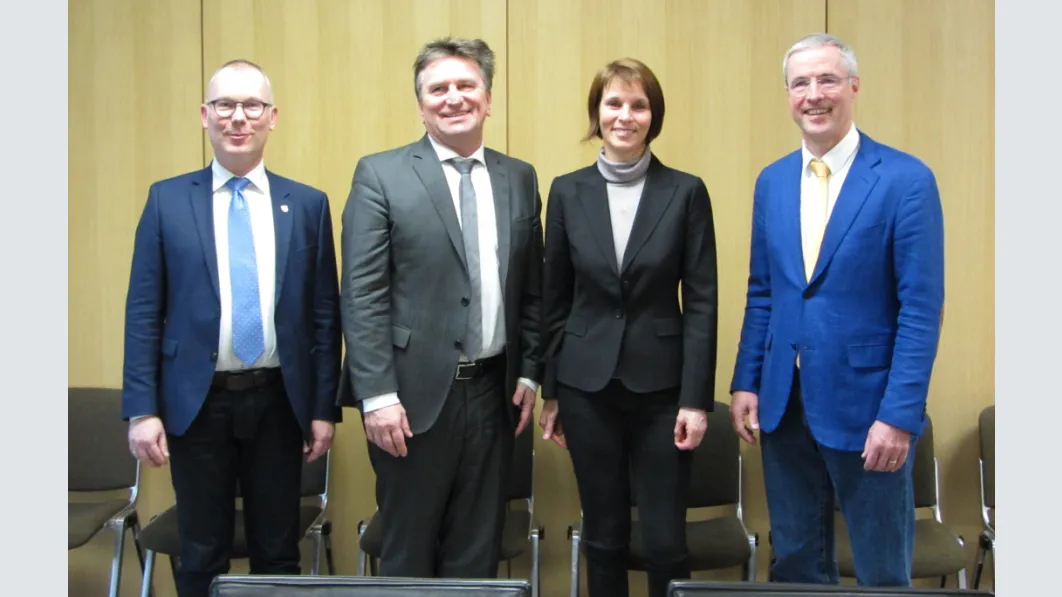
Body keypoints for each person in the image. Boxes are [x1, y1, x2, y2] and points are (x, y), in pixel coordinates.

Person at [729, 33, 945, 587]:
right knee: (797, 564)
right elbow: (763, 292)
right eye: (800, 83)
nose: (813, 94)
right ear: (787, 94)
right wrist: (745, 382)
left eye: (827, 79)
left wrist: (900, 415)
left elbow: (920, 309)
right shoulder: (773, 181)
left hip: (869, 410)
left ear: (853, 86)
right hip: (784, 405)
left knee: (881, 569)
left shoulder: (905, 180)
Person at [122, 59, 343, 597]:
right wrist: (142, 409)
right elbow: (143, 313)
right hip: (197, 405)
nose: (237, 118)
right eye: (225, 105)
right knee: (200, 553)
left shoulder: (307, 205)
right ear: (205, 115)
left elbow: (323, 317)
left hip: (278, 404)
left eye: (251, 106)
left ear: (272, 118)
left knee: (277, 552)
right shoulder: (166, 200)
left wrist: (321, 410)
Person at [337, 36, 543, 579]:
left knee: (477, 549)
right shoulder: (381, 174)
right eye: (438, 88)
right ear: (421, 102)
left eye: (465, 85)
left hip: (494, 394)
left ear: (488, 97)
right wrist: (376, 395)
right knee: (408, 548)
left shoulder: (519, 177)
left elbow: (533, 290)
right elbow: (361, 295)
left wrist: (530, 371)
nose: (453, 98)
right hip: (410, 400)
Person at [538, 58, 718, 597]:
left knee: (664, 539)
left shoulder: (685, 191)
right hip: (585, 387)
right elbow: (555, 299)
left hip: (664, 390)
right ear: (597, 112)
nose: (625, 115)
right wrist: (551, 391)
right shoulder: (567, 191)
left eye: (638, 105)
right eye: (614, 103)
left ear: (652, 116)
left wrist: (696, 400)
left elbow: (703, 300)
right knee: (605, 533)